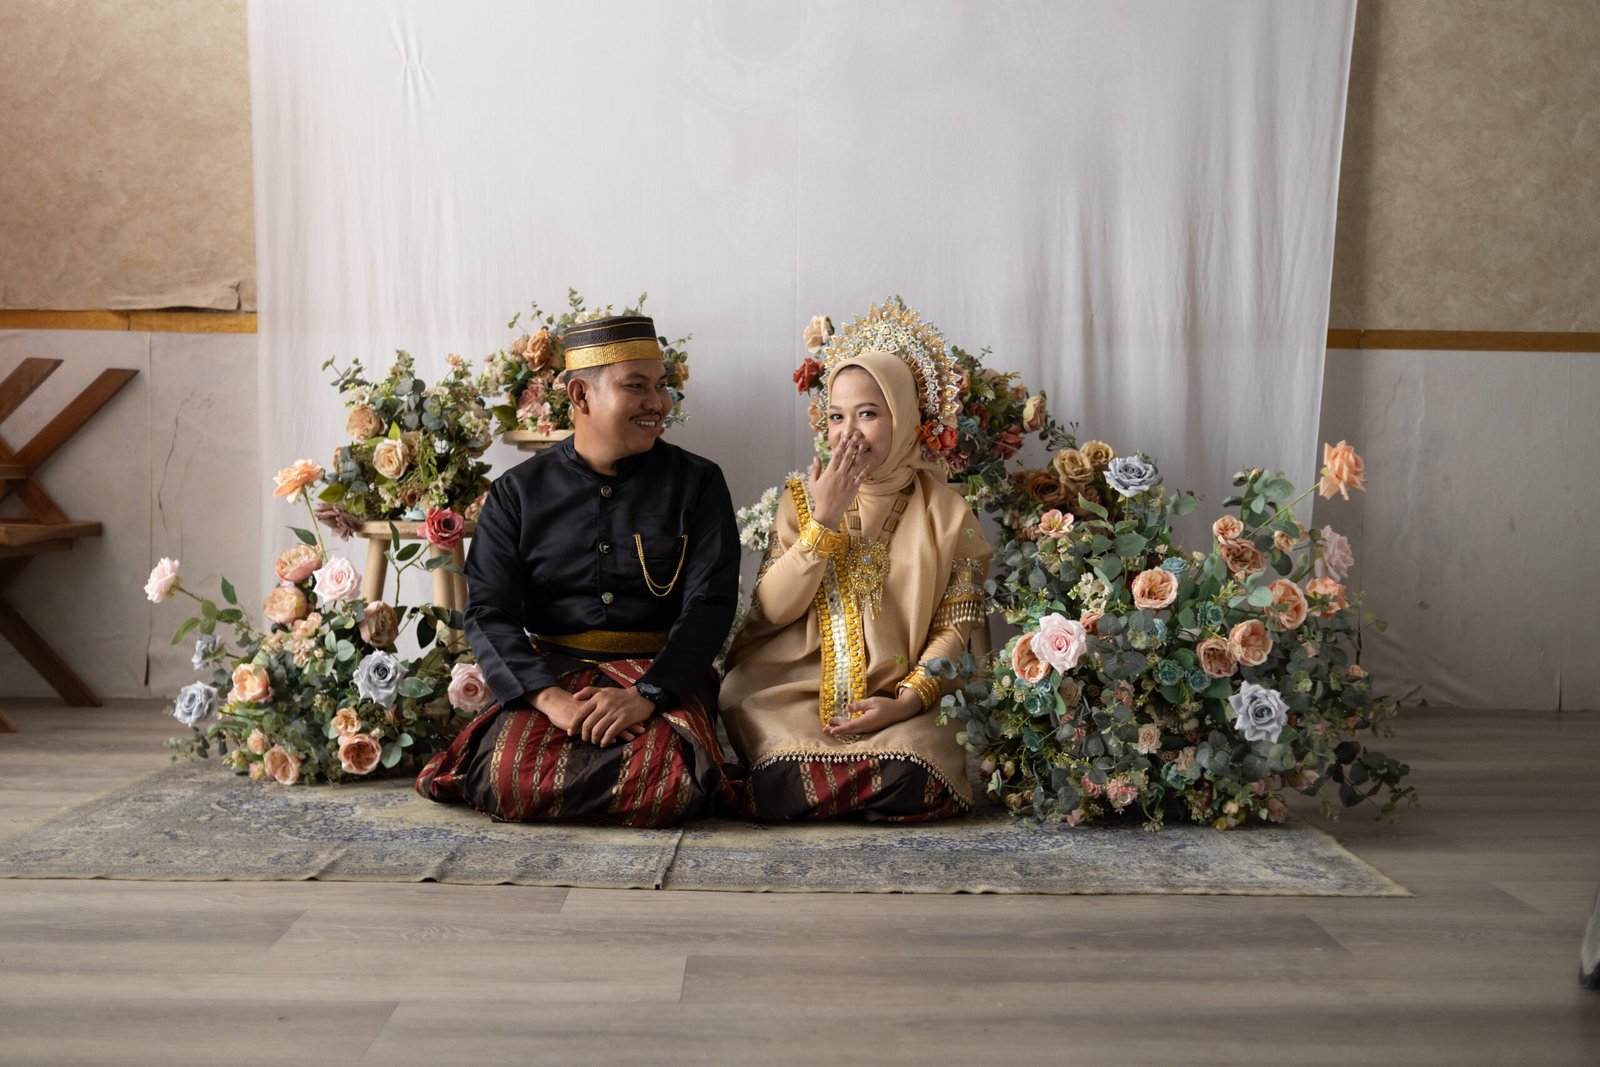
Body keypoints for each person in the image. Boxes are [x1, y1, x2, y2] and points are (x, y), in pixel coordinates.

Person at [416, 314, 739, 827]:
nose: (657, 403)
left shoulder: (698, 483)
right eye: (636, 386)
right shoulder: (517, 494)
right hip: (553, 677)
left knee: (670, 784)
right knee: (506, 777)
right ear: (580, 395)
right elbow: (489, 612)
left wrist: (646, 695)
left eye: (661, 386)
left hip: (660, 673)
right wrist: (553, 701)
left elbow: (710, 603)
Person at [719, 345, 992, 821]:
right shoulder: (802, 499)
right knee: (781, 781)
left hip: (903, 703)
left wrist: (905, 703)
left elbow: (953, 628)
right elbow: (773, 610)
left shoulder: (947, 513)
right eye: (836, 417)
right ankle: (836, 789)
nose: (848, 433)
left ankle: (838, 790)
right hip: (795, 695)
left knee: (912, 776)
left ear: (905, 418)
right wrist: (823, 521)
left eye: (867, 414)